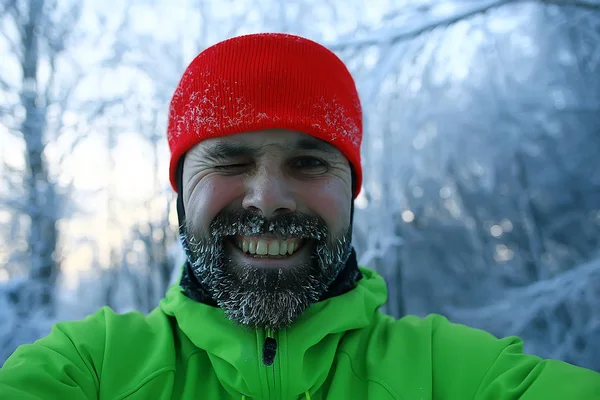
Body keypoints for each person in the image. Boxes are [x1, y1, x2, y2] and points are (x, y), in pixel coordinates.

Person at [0, 33, 598, 400]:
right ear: (179, 193)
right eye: (231, 159)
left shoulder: (452, 374)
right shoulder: (92, 368)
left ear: (353, 190)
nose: (269, 198)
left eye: (309, 162)